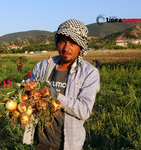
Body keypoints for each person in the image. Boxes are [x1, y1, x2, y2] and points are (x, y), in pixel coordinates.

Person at [23, 19, 100, 150]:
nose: (66, 48)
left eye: (72, 43)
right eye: (63, 42)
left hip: (68, 145)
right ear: (57, 42)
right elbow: (31, 95)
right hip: (41, 142)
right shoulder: (43, 66)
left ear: (81, 46)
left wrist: (57, 96)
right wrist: (24, 90)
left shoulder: (89, 72)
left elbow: (84, 111)